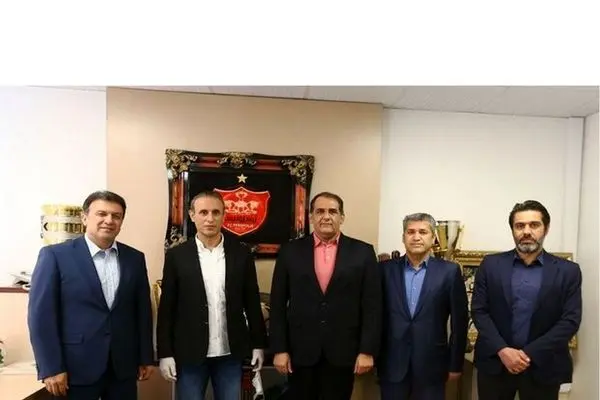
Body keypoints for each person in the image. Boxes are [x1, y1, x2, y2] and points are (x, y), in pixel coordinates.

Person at [28, 190, 154, 399]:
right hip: (74, 367)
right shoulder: (55, 256)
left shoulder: (135, 258)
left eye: (116, 216)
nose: (109, 220)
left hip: (122, 367)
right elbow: (40, 317)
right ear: (84, 218)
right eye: (101, 214)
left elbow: (142, 312)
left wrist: (145, 357)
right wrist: (50, 367)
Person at [269, 191, 382, 400]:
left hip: (343, 352)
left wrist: (367, 351)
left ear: (342, 217)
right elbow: (277, 304)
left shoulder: (363, 252)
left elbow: (372, 306)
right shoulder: (290, 251)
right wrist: (279, 349)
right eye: (320, 211)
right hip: (300, 352)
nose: (326, 216)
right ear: (311, 217)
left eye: (333, 211)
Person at [156, 190, 267, 400]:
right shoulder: (177, 256)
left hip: (230, 353)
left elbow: (252, 302)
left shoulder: (241, 253)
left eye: (216, 212)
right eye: (203, 212)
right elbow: (167, 308)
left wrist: (258, 345)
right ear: (192, 215)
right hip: (189, 353)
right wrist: (165, 353)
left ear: (223, 215)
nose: (210, 218)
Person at [471, 200, 582, 400]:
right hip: (496, 363)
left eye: (534, 225)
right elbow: (479, 311)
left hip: (544, 366)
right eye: (520, 226)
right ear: (513, 230)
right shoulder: (490, 265)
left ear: (546, 229)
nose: (527, 231)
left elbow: (570, 320)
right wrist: (503, 350)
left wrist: (528, 354)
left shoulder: (568, 271)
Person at [377, 213, 469, 400]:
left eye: (423, 232)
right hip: (392, 364)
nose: (416, 237)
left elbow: (460, 322)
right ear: (403, 237)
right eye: (410, 232)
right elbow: (375, 315)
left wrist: (455, 364)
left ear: (433, 237)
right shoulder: (385, 270)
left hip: (432, 365)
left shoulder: (449, 271)